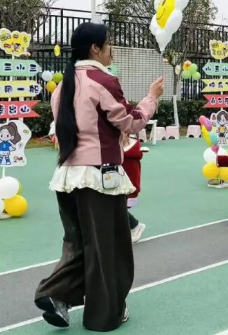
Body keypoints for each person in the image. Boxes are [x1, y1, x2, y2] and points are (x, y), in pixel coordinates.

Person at [35, 22, 164, 331]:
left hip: (67, 175)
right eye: (109, 44)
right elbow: (130, 122)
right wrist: (151, 98)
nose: (112, 49)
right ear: (95, 48)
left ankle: (56, 293)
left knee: (78, 243)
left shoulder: (63, 86)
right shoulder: (103, 80)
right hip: (99, 177)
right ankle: (104, 315)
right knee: (108, 247)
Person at [122, 133, 148, 243]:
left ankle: (135, 226)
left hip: (127, 188)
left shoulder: (128, 153)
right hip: (120, 186)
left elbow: (133, 175)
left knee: (117, 209)